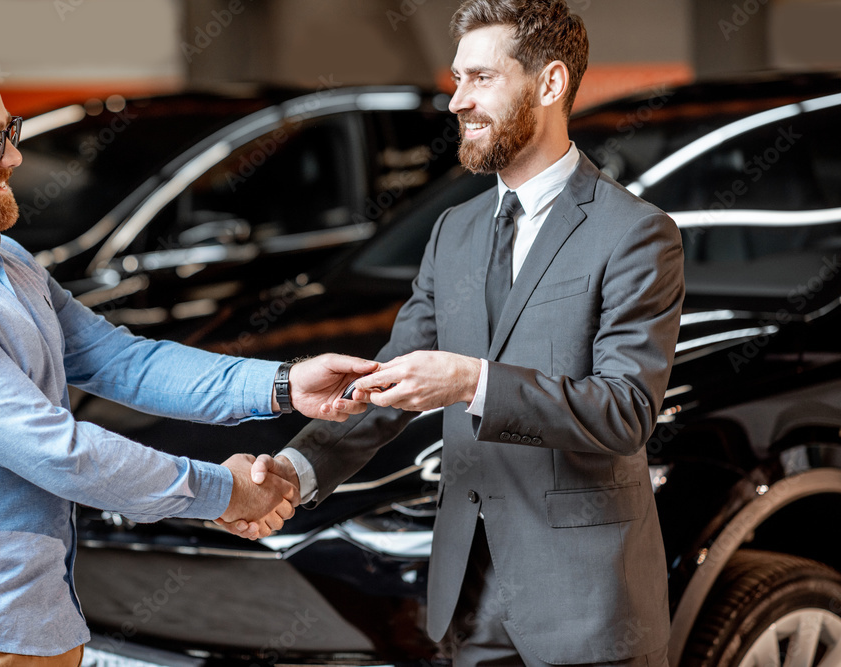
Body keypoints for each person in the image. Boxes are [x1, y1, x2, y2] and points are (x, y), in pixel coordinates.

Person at [0, 45, 377, 665]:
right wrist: (224, 492)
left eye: (10, 130)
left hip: (20, 629)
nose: (14, 156)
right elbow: (61, 453)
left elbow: (120, 360)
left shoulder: (1, 258)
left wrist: (281, 385)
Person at [231, 1, 685, 665]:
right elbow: (390, 373)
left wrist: (473, 380)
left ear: (551, 84)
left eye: (481, 78)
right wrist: (294, 473)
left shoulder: (636, 234)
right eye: (457, 79)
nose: (456, 102)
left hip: (589, 609)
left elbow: (625, 412)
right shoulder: (455, 232)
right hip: (466, 598)